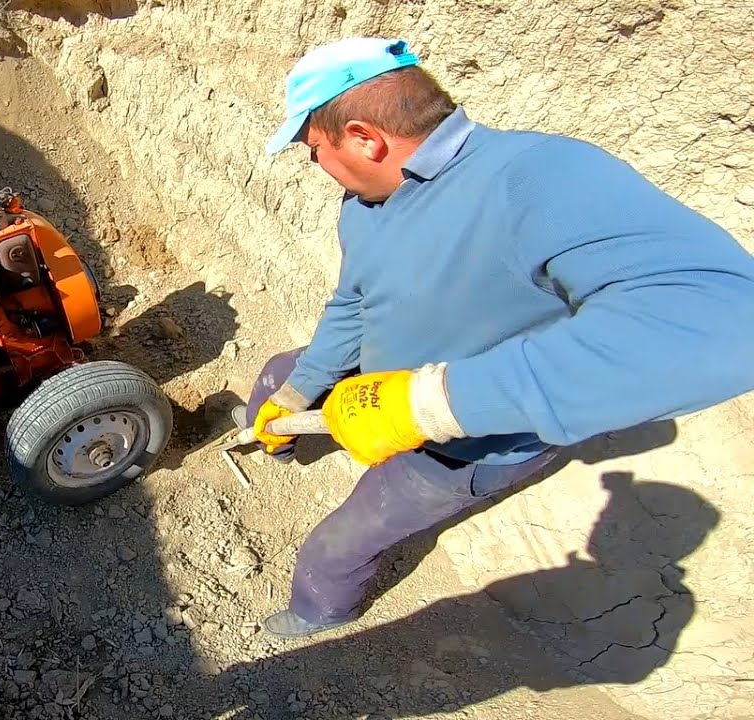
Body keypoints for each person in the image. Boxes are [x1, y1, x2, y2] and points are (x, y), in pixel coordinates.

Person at [242, 36, 754, 639]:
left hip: (467, 445)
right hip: (379, 383)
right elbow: (356, 301)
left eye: (314, 150)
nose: (316, 166)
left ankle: (319, 611)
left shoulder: (540, 177)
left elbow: (727, 320)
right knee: (277, 378)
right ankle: (280, 443)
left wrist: (428, 404)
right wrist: (302, 389)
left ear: (363, 138)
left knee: (334, 549)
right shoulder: (367, 204)